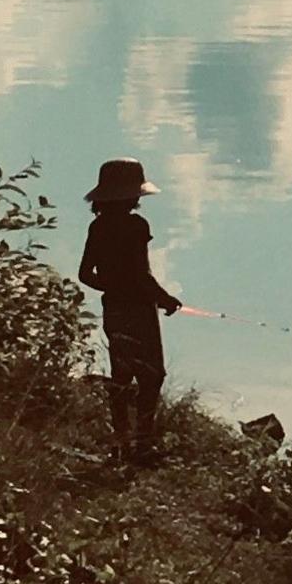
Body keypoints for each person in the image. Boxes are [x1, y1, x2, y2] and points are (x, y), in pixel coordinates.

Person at [77, 158, 181, 468]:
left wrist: (111, 287)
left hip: (114, 307)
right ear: (129, 195)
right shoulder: (137, 226)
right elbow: (141, 274)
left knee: (121, 375)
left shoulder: (97, 227)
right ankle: (143, 445)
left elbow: (85, 274)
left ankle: (120, 442)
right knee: (152, 376)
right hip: (138, 308)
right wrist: (164, 299)